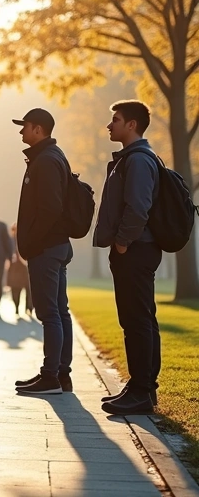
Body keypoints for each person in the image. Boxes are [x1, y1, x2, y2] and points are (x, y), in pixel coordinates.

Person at [94, 100, 161, 415]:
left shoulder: (137, 160)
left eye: (115, 120)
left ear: (132, 124)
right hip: (137, 248)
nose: (110, 125)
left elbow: (138, 207)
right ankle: (143, 388)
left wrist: (122, 243)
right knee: (142, 319)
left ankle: (141, 391)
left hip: (135, 249)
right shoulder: (135, 158)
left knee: (136, 320)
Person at [12, 108, 76, 396]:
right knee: (60, 311)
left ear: (38, 129)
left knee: (49, 312)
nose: (21, 132)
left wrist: (31, 243)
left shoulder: (47, 161)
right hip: (55, 245)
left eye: (25, 127)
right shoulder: (49, 157)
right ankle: (60, 374)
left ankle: (51, 376)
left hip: (47, 248)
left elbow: (50, 208)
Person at [7, 225, 32, 316]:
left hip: (26, 266)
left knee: (29, 288)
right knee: (15, 289)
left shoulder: (28, 239)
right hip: (14, 267)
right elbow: (7, 251)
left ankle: (29, 307)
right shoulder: (10, 241)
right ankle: (16, 306)